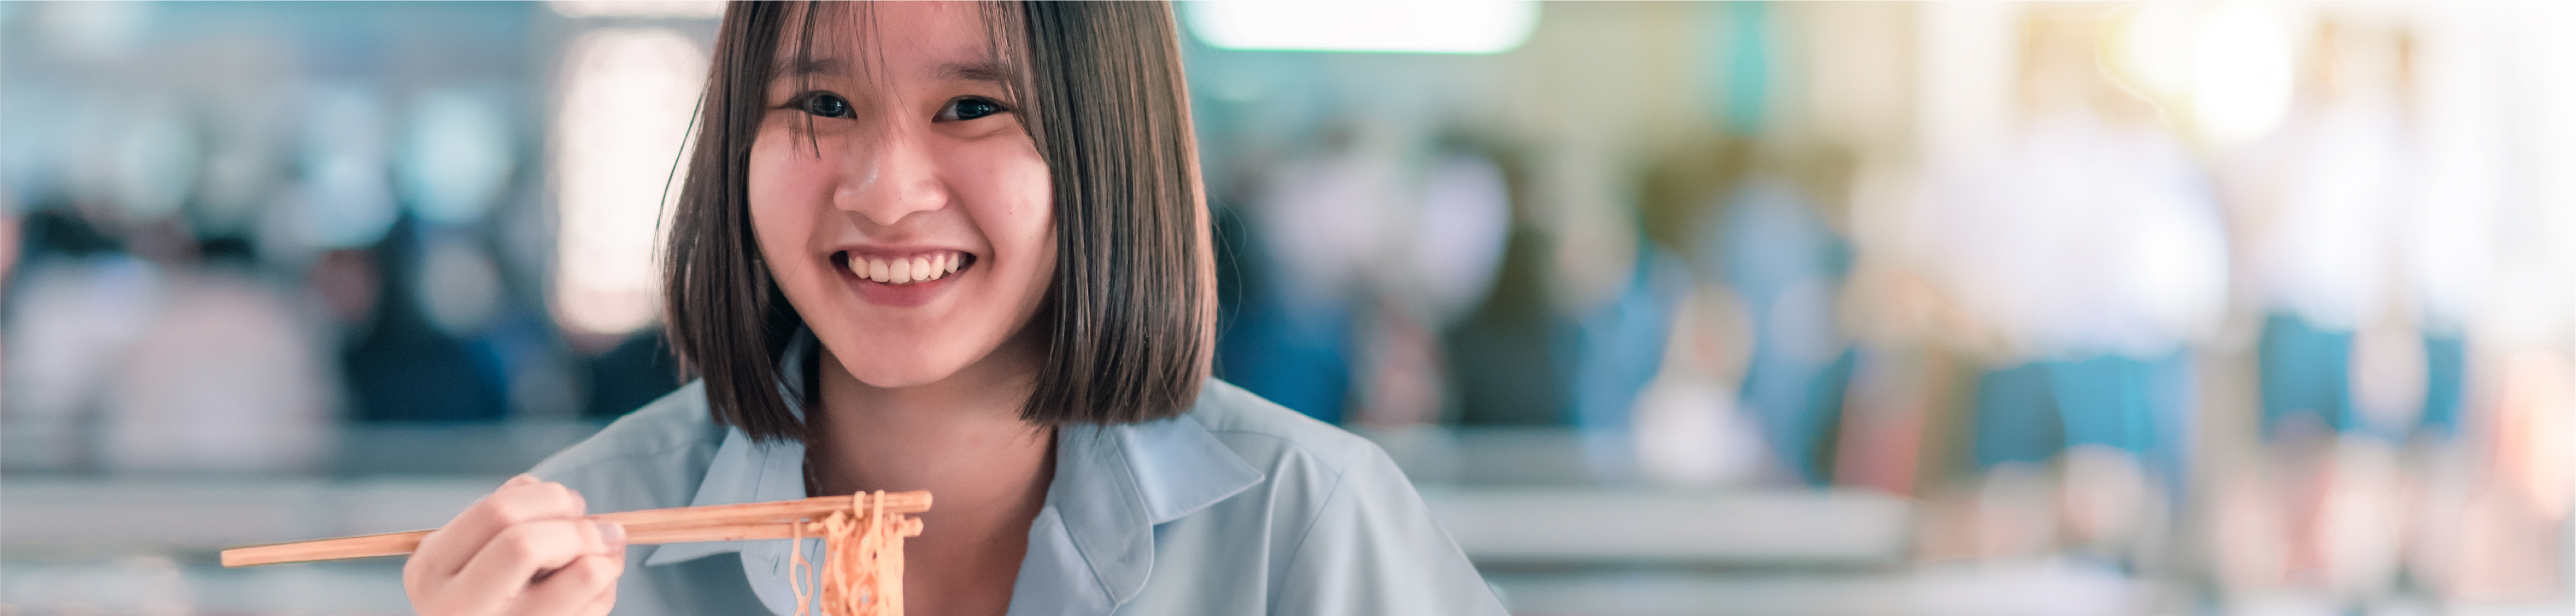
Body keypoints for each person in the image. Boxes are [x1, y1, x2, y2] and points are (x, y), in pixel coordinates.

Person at [397, 1, 1507, 615]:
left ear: (1108, 153)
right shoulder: (589, 546)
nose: (884, 192)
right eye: (820, 103)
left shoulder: (1305, 527)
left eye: (974, 107)